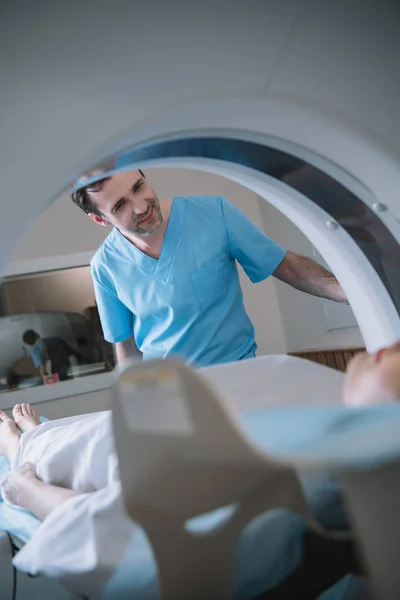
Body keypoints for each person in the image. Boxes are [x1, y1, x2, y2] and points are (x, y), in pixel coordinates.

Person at [1, 342, 400, 598]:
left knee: (73, 445)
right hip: (166, 421)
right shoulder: (332, 397)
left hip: (121, 456)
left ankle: (22, 443)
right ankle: (38, 434)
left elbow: (107, 530)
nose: (394, 344)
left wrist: (25, 489)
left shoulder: (314, 467)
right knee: (97, 426)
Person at [71, 169, 348, 367]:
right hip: (171, 396)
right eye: (120, 205)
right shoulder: (105, 266)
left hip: (240, 374)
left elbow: (283, 264)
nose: (142, 206)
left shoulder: (214, 213)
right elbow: (127, 349)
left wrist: (349, 292)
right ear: (100, 219)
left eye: (139, 187)